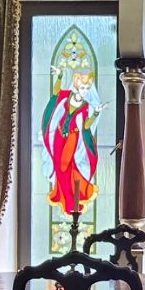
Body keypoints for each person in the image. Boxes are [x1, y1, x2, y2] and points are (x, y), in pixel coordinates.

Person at [41, 66, 104, 215]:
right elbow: (56, 94)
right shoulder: (66, 96)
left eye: (87, 88)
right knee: (59, 166)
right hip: (58, 135)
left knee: (65, 167)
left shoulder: (86, 105)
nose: (85, 91)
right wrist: (60, 76)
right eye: (82, 87)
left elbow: (86, 126)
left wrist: (95, 113)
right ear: (76, 85)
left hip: (72, 138)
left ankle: (71, 200)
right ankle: (64, 199)